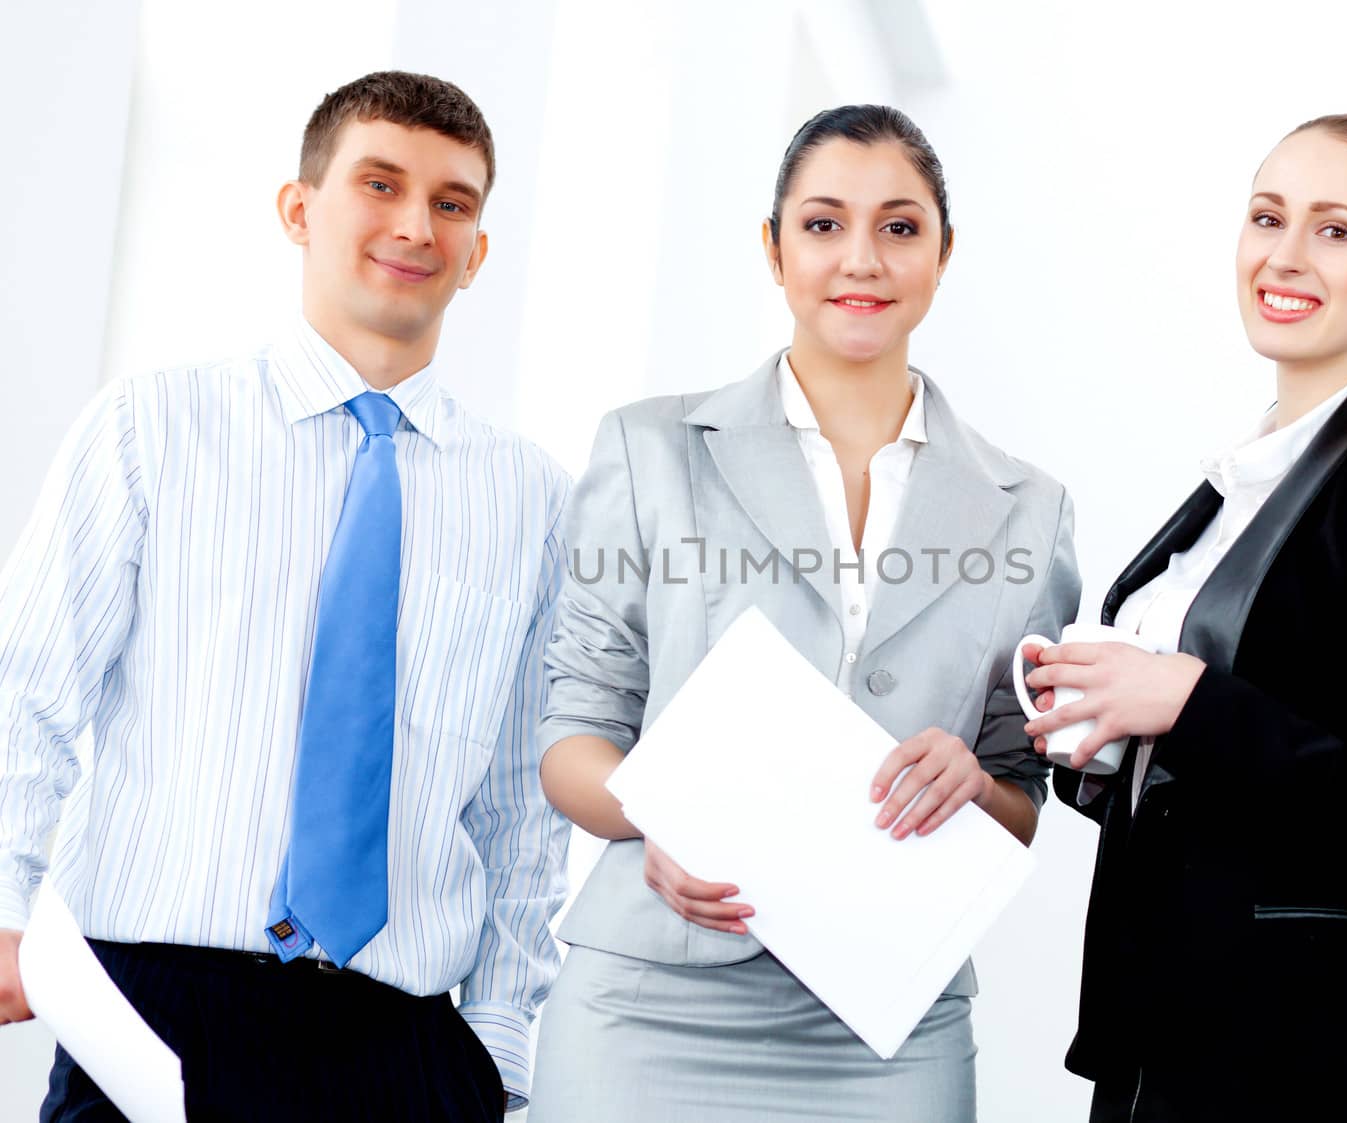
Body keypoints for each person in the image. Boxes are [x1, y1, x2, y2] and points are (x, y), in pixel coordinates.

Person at [0, 71, 570, 1120]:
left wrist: (495, 1041)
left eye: (452, 203)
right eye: (380, 184)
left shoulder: (527, 495)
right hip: (154, 1004)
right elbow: (25, 693)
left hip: (405, 1039)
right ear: (299, 210)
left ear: (478, 251)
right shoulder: (153, 427)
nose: (415, 225)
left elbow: (519, 800)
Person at [528, 104, 1081, 1121]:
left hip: (887, 1034)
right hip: (649, 1007)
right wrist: (660, 811)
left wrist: (972, 782)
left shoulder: (1028, 509)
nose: (860, 259)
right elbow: (573, 730)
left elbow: (1016, 793)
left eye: (900, 227)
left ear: (944, 253)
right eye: (823, 224)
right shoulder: (651, 450)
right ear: (773, 248)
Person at [1022, 115, 1347, 1122]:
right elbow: (1225, 786)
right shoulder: (1234, 487)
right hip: (1161, 1047)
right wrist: (1104, 739)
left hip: (1296, 1068)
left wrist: (1187, 700)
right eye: (1265, 217)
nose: (1283, 256)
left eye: (1333, 230)